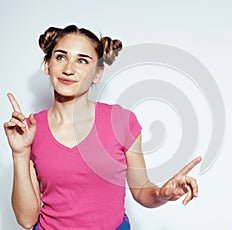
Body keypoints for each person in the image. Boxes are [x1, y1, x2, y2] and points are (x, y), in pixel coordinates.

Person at [3, 25, 202, 230]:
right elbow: (26, 220)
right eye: (61, 57)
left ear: (97, 73)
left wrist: (163, 194)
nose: (68, 69)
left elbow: (142, 190)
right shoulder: (28, 129)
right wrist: (20, 153)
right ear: (47, 65)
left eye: (82, 61)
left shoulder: (121, 121)